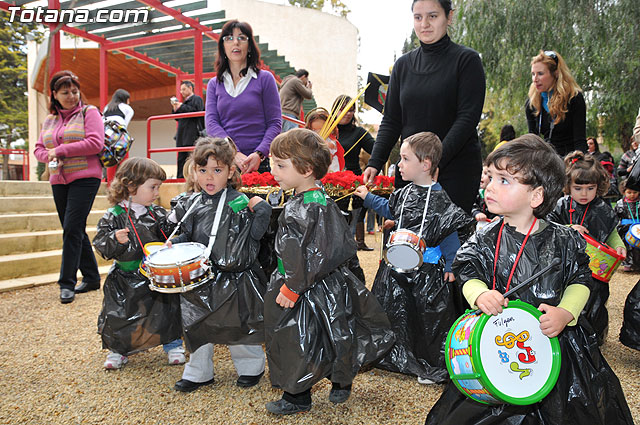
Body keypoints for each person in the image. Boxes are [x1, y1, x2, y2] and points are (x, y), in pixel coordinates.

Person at [426, 134, 634, 425]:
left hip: (557, 346)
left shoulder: (564, 240)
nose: (490, 186)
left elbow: (580, 279)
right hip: (497, 344)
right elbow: (467, 270)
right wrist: (480, 295)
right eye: (492, 177)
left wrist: (566, 313)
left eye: (504, 181)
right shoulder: (485, 237)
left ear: (536, 196)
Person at [264, 129, 394, 415]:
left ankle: (297, 396)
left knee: (298, 336)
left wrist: (293, 286)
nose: (273, 170)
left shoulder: (306, 207)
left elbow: (312, 252)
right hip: (324, 283)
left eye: (280, 165)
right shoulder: (317, 199)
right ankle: (339, 379)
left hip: (306, 285)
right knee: (331, 332)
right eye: (273, 163)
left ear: (307, 169)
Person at [354, 131, 471, 384]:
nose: (399, 164)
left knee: (425, 318)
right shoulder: (405, 192)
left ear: (425, 164)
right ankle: (392, 353)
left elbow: (449, 233)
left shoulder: (441, 200)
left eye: (405, 159)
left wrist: (451, 264)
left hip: (427, 271)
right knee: (396, 311)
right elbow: (390, 208)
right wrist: (368, 198)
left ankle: (429, 362)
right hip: (396, 267)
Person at [363, 0, 486, 215]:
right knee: (409, 240)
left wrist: (434, 161)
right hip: (411, 171)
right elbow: (392, 119)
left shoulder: (467, 60)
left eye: (433, 16)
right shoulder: (403, 65)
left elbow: (467, 119)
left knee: (450, 244)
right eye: (418, 17)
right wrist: (375, 161)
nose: (424, 24)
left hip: (454, 170)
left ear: (449, 17)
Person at [170, 137, 272, 392]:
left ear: (230, 171)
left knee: (240, 326)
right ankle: (198, 371)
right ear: (194, 171)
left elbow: (257, 236)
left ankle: (251, 367)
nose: (209, 177)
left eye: (217, 170)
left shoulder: (239, 201)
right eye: (202, 170)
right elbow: (186, 234)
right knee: (197, 325)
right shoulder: (191, 203)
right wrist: (175, 245)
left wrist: (262, 211)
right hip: (201, 278)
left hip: (237, 277)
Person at [93, 158, 184, 370]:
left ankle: (173, 344)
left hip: (155, 274)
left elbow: (170, 231)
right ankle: (118, 349)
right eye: (153, 187)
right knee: (119, 313)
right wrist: (114, 239)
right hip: (124, 277)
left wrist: (173, 233)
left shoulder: (156, 213)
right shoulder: (114, 216)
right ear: (131, 186)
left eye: (158, 187)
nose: (157, 192)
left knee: (166, 310)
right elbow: (100, 244)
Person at [34, 70, 104, 304]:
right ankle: (92, 278)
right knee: (73, 228)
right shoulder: (50, 119)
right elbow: (38, 148)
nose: (72, 96)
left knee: (71, 229)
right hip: (59, 179)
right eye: (65, 92)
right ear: (54, 95)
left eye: (74, 91)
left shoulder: (89, 112)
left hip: (86, 177)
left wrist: (60, 150)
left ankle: (67, 283)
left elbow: (95, 142)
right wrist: (49, 155)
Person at [547, 151, 624, 345]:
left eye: (590, 188)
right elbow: (547, 226)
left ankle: (594, 340)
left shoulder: (603, 209)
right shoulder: (561, 205)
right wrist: (569, 228)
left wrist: (619, 246)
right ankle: (565, 337)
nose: (584, 193)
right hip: (564, 266)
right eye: (578, 188)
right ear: (568, 186)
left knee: (595, 303)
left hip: (594, 270)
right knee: (564, 299)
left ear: (598, 187)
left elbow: (612, 232)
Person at [205, 19, 282, 174]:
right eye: (229, 38)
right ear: (223, 47)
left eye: (241, 38)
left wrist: (259, 154)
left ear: (249, 46)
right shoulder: (214, 84)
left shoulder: (265, 79)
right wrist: (234, 153)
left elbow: (275, 123)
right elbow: (211, 123)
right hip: (224, 163)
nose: (236, 43)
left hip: (258, 164)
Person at [332, 94, 376, 250]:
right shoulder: (327, 131)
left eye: (351, 109)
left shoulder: (359, 133)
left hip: (354, 181)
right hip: (332, 183)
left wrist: (372, 167)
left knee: (357, 212)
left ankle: (359, 241)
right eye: (344, 109)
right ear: (335, 111)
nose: (348, 113)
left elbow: (377, 150)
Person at [525, 50, 587, 157]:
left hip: (569, 162)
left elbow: (580, 142)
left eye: (540, 73)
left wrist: (578, 165)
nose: (535, 79)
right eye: (533, 74)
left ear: (556, 73)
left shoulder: (574, 99)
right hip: (546, 163)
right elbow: (532, 143)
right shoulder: (532, 103)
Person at [172, 80, 204, 179]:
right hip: (182, 133)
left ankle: (192, 178)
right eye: (181, 90)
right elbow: (176, 118)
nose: (182, 92)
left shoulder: (197, 99)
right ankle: (180, 177)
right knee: (181, 157)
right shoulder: (184, 103)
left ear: (190, 88)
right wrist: (175, 108)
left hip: (192, 132)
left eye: (184, 89)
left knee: (191, 156)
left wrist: (181, 106)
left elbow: (197, 111)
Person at [304, 107, 344, 173]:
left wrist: (322, 142)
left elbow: (332, 146)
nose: (318, 132)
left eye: (321, 129)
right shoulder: (310, 141)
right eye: (314, 130)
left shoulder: (331, 140)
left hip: (331, 170)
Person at [615, 179, 640, 272]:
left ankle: (637, 264)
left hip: (638, 228)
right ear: (623, 191)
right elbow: (615, 217)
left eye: (635, 192)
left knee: (637, 248)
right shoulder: (620, 203)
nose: (632, 195)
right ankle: (627, 264)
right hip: (625, 228)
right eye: (629, 192)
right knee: (627, 246)